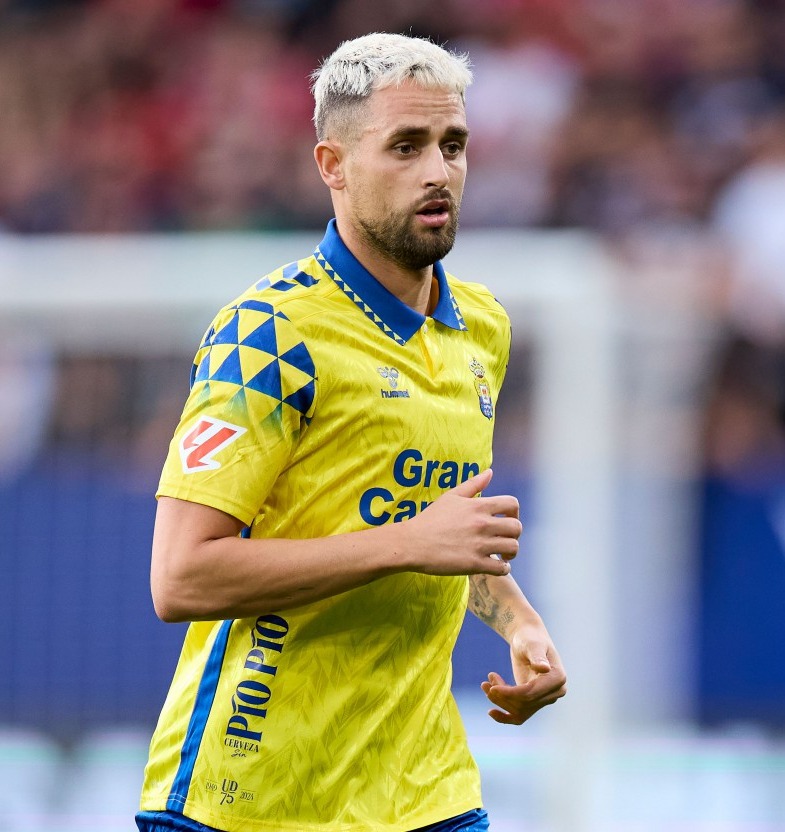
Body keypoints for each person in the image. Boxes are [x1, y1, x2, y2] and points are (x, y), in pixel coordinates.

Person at [136, 32, 566, 832]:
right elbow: (181, 579)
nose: (438, 171)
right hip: (256, 798)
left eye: (453, 144)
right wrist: (409, 543)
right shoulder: (268, 332)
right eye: (405, 146)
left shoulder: (481, 330)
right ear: (331, 165)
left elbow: (441, 528)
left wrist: (519, 621)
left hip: (425, 792)